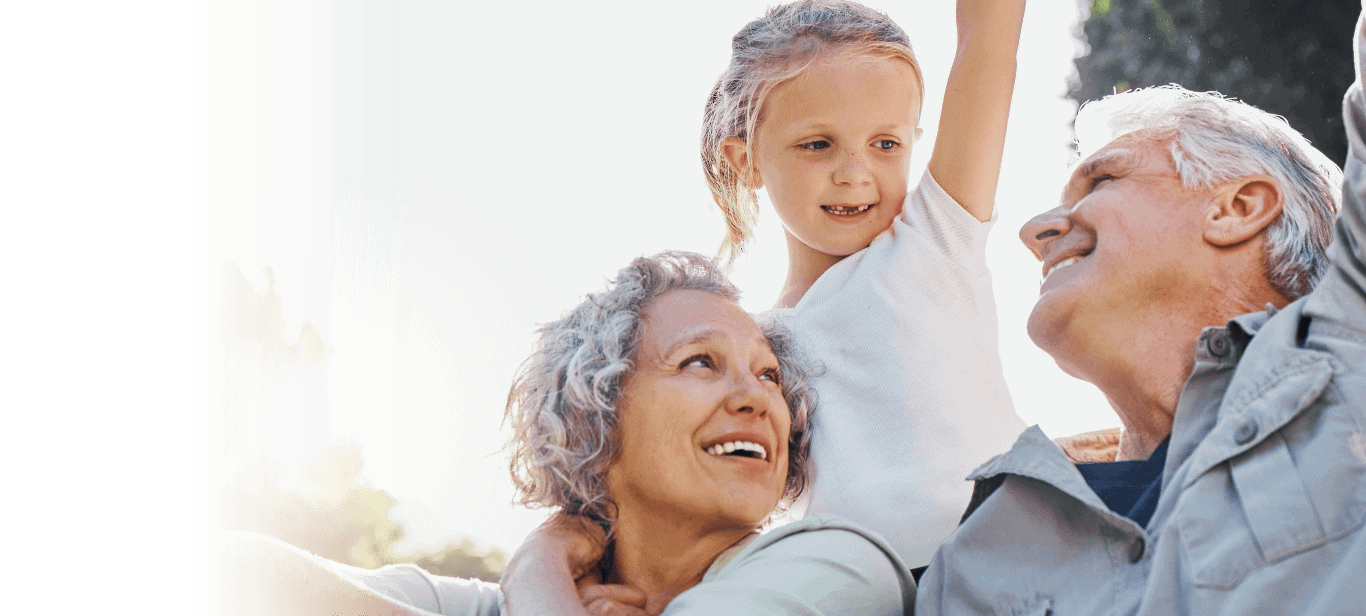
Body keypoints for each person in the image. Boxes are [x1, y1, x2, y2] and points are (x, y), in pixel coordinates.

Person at [914, 0, 1366, 616]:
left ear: (1236, 209)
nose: (1035, 229)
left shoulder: (1352, 357)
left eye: (1100, 179)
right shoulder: (975, 549)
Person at [221, 251, 915, 616]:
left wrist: (534, 569)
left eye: (769, 376)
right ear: (598, 415)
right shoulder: (497, 604)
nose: (756, 397)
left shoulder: (842, 567)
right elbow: (227, 569)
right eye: (701, 361)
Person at [697, 0, 1031, 570]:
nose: (856, 174)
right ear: (747, 161)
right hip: (867, 592)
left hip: (1010, 556)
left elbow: (989, 44)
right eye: (817, 144)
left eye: (886, 144)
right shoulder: (752, 343)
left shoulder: (935, 240)